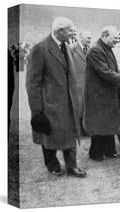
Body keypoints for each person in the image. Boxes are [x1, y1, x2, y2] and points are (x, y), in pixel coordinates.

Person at [26, 17, 86, 178]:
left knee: (70, 135)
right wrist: (37, 110)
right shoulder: (40, 48)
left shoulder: (65, 46)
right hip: (50, 104)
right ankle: (52, 164)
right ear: (60, 31)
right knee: (49, 136)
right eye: (70, 30)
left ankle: (72, 166)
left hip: (68, 103)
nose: (73, 33)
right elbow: (32, 83)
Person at [84, 26, 120, 161]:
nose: (117, 41)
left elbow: (111, 70)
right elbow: (105, 71)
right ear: (105, 36)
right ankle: (95, 153)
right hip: (98, 94)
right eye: (115, 38)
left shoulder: (106, 48)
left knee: (109, 121)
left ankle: (109, 150)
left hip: (107, 91)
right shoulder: (95, 50)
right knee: (99, 123)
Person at [71, 31, 92, 135]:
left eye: (90, 38)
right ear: (81, 38)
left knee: (86, 107)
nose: (89, 40)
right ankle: (77, 129)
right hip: (76, 83)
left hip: (87, 82)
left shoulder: (91, 49)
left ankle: (84, 128)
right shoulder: (72, 49)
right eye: (88, 38)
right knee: (77, 107)